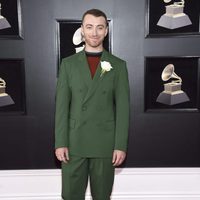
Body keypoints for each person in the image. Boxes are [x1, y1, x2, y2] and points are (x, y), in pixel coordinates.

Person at [55, 8, 130, 200]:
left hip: (104, 144)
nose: (94, 32)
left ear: (106, 30)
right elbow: (61, 108)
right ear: (82, 30)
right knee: (71, 195)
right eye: (89, 27)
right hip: (73, 142)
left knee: (102, 196)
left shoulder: (118, 65)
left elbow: (123, 109)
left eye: (99, 27)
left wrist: (120, 145)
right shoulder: (68, 64)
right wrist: (61, 142)